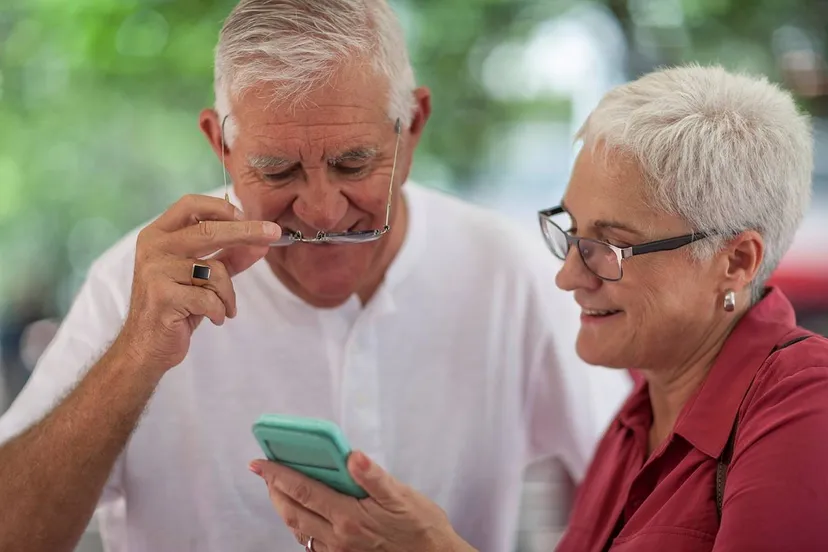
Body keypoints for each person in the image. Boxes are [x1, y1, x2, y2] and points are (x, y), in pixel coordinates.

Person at [0, 1, 631, 551]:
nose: (322, 210)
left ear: (412, 129)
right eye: (276, 172)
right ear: (220, 144)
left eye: (354, 163)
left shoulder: (505, 270)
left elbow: (640, 496)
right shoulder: (135, 285)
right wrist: (135, 354)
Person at [250, 64, 828, 552]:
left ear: (736, 261)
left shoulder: (806, 410)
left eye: (609, 247)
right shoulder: (635, 423)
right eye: (571, 233)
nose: (568, 274)